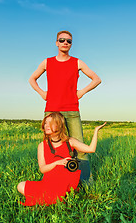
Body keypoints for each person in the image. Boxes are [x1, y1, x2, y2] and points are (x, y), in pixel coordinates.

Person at [29, 30, 101, 182]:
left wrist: (82, 92)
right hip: (52, 111)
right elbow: (32, 79)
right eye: (62, 40)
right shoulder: (47, 62)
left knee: (80, 149)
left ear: (71, 44)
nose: (65, 43)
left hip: (72, 110)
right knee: (52, 148)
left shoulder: (77, 62)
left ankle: (86, 182)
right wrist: (42, 93)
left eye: (68, 41)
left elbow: (96, 79)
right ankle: (52, 180)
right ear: (57, 43)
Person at [17, 112, 106, 206]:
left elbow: (91, 149)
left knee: (46, 193)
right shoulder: (42, 145)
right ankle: (56, 199)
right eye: (45, 123)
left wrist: (96, 131)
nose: (47, 125)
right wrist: (57, 163)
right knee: (20, 185)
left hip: (65, 182)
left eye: (50, 123)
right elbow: (42, 169)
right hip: (48, 182)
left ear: (59, 125)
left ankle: (49, 199)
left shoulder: (69, 141)